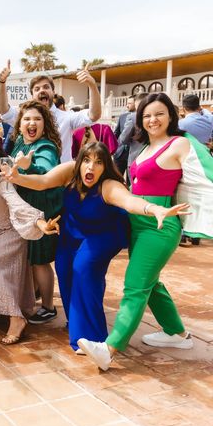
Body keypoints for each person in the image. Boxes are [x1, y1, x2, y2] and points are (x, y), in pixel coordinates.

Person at [4, 142, 188, 352]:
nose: (91, 167)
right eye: (87, 160)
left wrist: (153, 209)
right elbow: (43, 181)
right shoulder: (69, 171)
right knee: (64, 270)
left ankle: (93, 338)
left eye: (98, 162)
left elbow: (129, 202)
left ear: (105, 166)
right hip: (73, 230)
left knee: (84, 267)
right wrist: (16, 177)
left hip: (105, 233)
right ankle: (76, 322)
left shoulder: (108, 185)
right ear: (80, 161)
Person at [78, 93, 200, 371]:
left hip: (160, 223)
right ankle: (177, 333)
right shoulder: (143, 146)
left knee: (135, 284)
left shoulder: (179, 143)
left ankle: (110, 349)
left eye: (159, 113)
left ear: (171, 115)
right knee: (151, 282)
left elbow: (204, 172)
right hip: (138, 221)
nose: (152, 120)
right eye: (146, 115)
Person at [0, 134, 59, 344]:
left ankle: (16, 318)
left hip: (11, 232)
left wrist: (41, 223)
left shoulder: (1, 180)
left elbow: (17, 204)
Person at [8, 100, 64, 324]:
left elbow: (47, 173)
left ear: (45, 123)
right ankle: (35, 295)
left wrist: (28, 167)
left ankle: (49, 306)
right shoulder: (20, 142)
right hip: (26, 209)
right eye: (27, 119)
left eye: (37, 119)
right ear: (20, 124)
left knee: (40, 260)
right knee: (31, 258)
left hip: (42, 210)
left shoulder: (45, 147)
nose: (32, 123)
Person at [0, 60, 102, 163]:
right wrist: (2, 83)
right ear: (32, 96)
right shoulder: (24, 117)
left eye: (46, 87)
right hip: (31, 177)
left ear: (53, 92)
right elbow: (4, 111)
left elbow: (94, 115)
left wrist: (92, 86)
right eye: (37, 89)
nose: (42, 90)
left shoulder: (67, 117)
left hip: (61, 178)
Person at [113, 96, 136, 175]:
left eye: (129, 103)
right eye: (127, 103)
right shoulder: (122, 116)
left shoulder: (142, 117)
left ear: (136, 104)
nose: (127, 105)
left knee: (131, 183)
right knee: (115, 178)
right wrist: (114, 149)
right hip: (119, 154)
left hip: (134, 154)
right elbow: (116, 133)